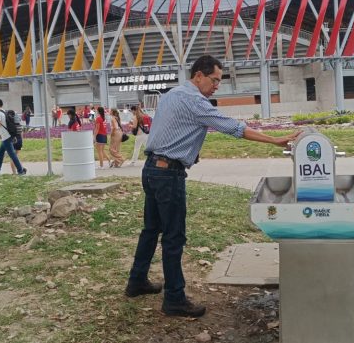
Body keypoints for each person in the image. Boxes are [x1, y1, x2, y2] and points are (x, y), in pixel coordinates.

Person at [125, 55, 298, 318]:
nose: (217, 85)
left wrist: (187, 151)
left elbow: (170, 129)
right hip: (168, 175)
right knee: (173, 237)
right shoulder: (195, 100)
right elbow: (233, 128)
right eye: (215, 80)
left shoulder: (173, 94)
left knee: (151, 229)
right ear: (199, 76)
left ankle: (136, 282)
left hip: (151, 169)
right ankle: (174, 299)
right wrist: (274, 140)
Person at [0, 99, 27, 175]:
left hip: (6, 137)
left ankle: (20, 171)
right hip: (8, 136)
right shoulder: (4, 112)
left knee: (12, 154)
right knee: (0, 152)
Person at [6, 110, 24, 175]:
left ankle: (14, 172)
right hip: (19, 141)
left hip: (13, 141)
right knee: (16, 156)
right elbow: (22, 134)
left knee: (12, 158)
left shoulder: (11, 126)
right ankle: (21, 168)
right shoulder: (20, 126)